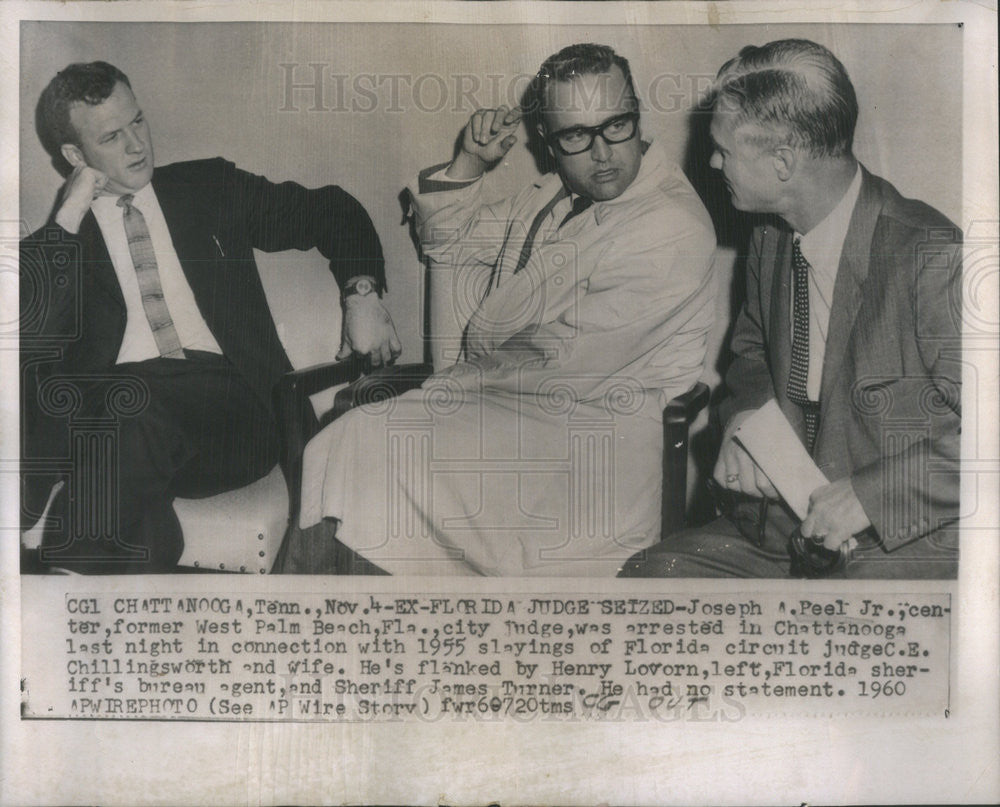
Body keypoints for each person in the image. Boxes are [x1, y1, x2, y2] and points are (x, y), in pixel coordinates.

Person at [295, 43, 717, 576]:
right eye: (576, 135)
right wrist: (470, 165)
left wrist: (447, 384)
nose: (603, 153)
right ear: (547, 138)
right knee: (353, 443)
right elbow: (449, 238)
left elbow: (561, 356)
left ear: (636, 112)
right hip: (522, 413)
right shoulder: (558, 194)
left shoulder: (671, 224)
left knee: (362, 444)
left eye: (617, 125)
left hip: (597, 448)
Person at [20, 61, 401, 573]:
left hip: (230, 413)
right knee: (123, 421)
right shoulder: (61, 245)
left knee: (124, 409)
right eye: (112, 136)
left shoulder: (208, 189)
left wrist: (362, 295)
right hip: (121, 430)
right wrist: (67, 216)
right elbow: (28, 345)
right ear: (74, 155)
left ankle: (71, 568)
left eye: (138, 121)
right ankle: (124, 562)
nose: (137, 145)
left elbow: (330, 210)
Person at [620, 39, 961, 580]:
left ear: (782, 162)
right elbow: (751, 351)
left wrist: (872, 497)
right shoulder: (771, 238)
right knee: (648, 579)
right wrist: (746, 419)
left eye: (723, 151)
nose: (712, 162)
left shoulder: (932, 257)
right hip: (784, 533)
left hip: (898, 543)